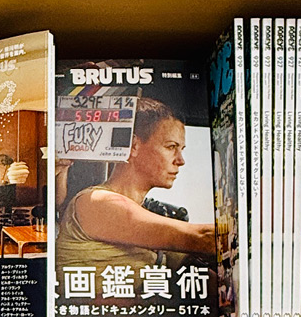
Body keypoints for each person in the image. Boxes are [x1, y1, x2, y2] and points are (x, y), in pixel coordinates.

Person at [54, 98, 215, 281]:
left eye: (181, 149)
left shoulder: (146, 217)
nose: (181, 160)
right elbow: (202, 238)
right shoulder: (96, 201)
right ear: (133, 147)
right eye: (171, 147)